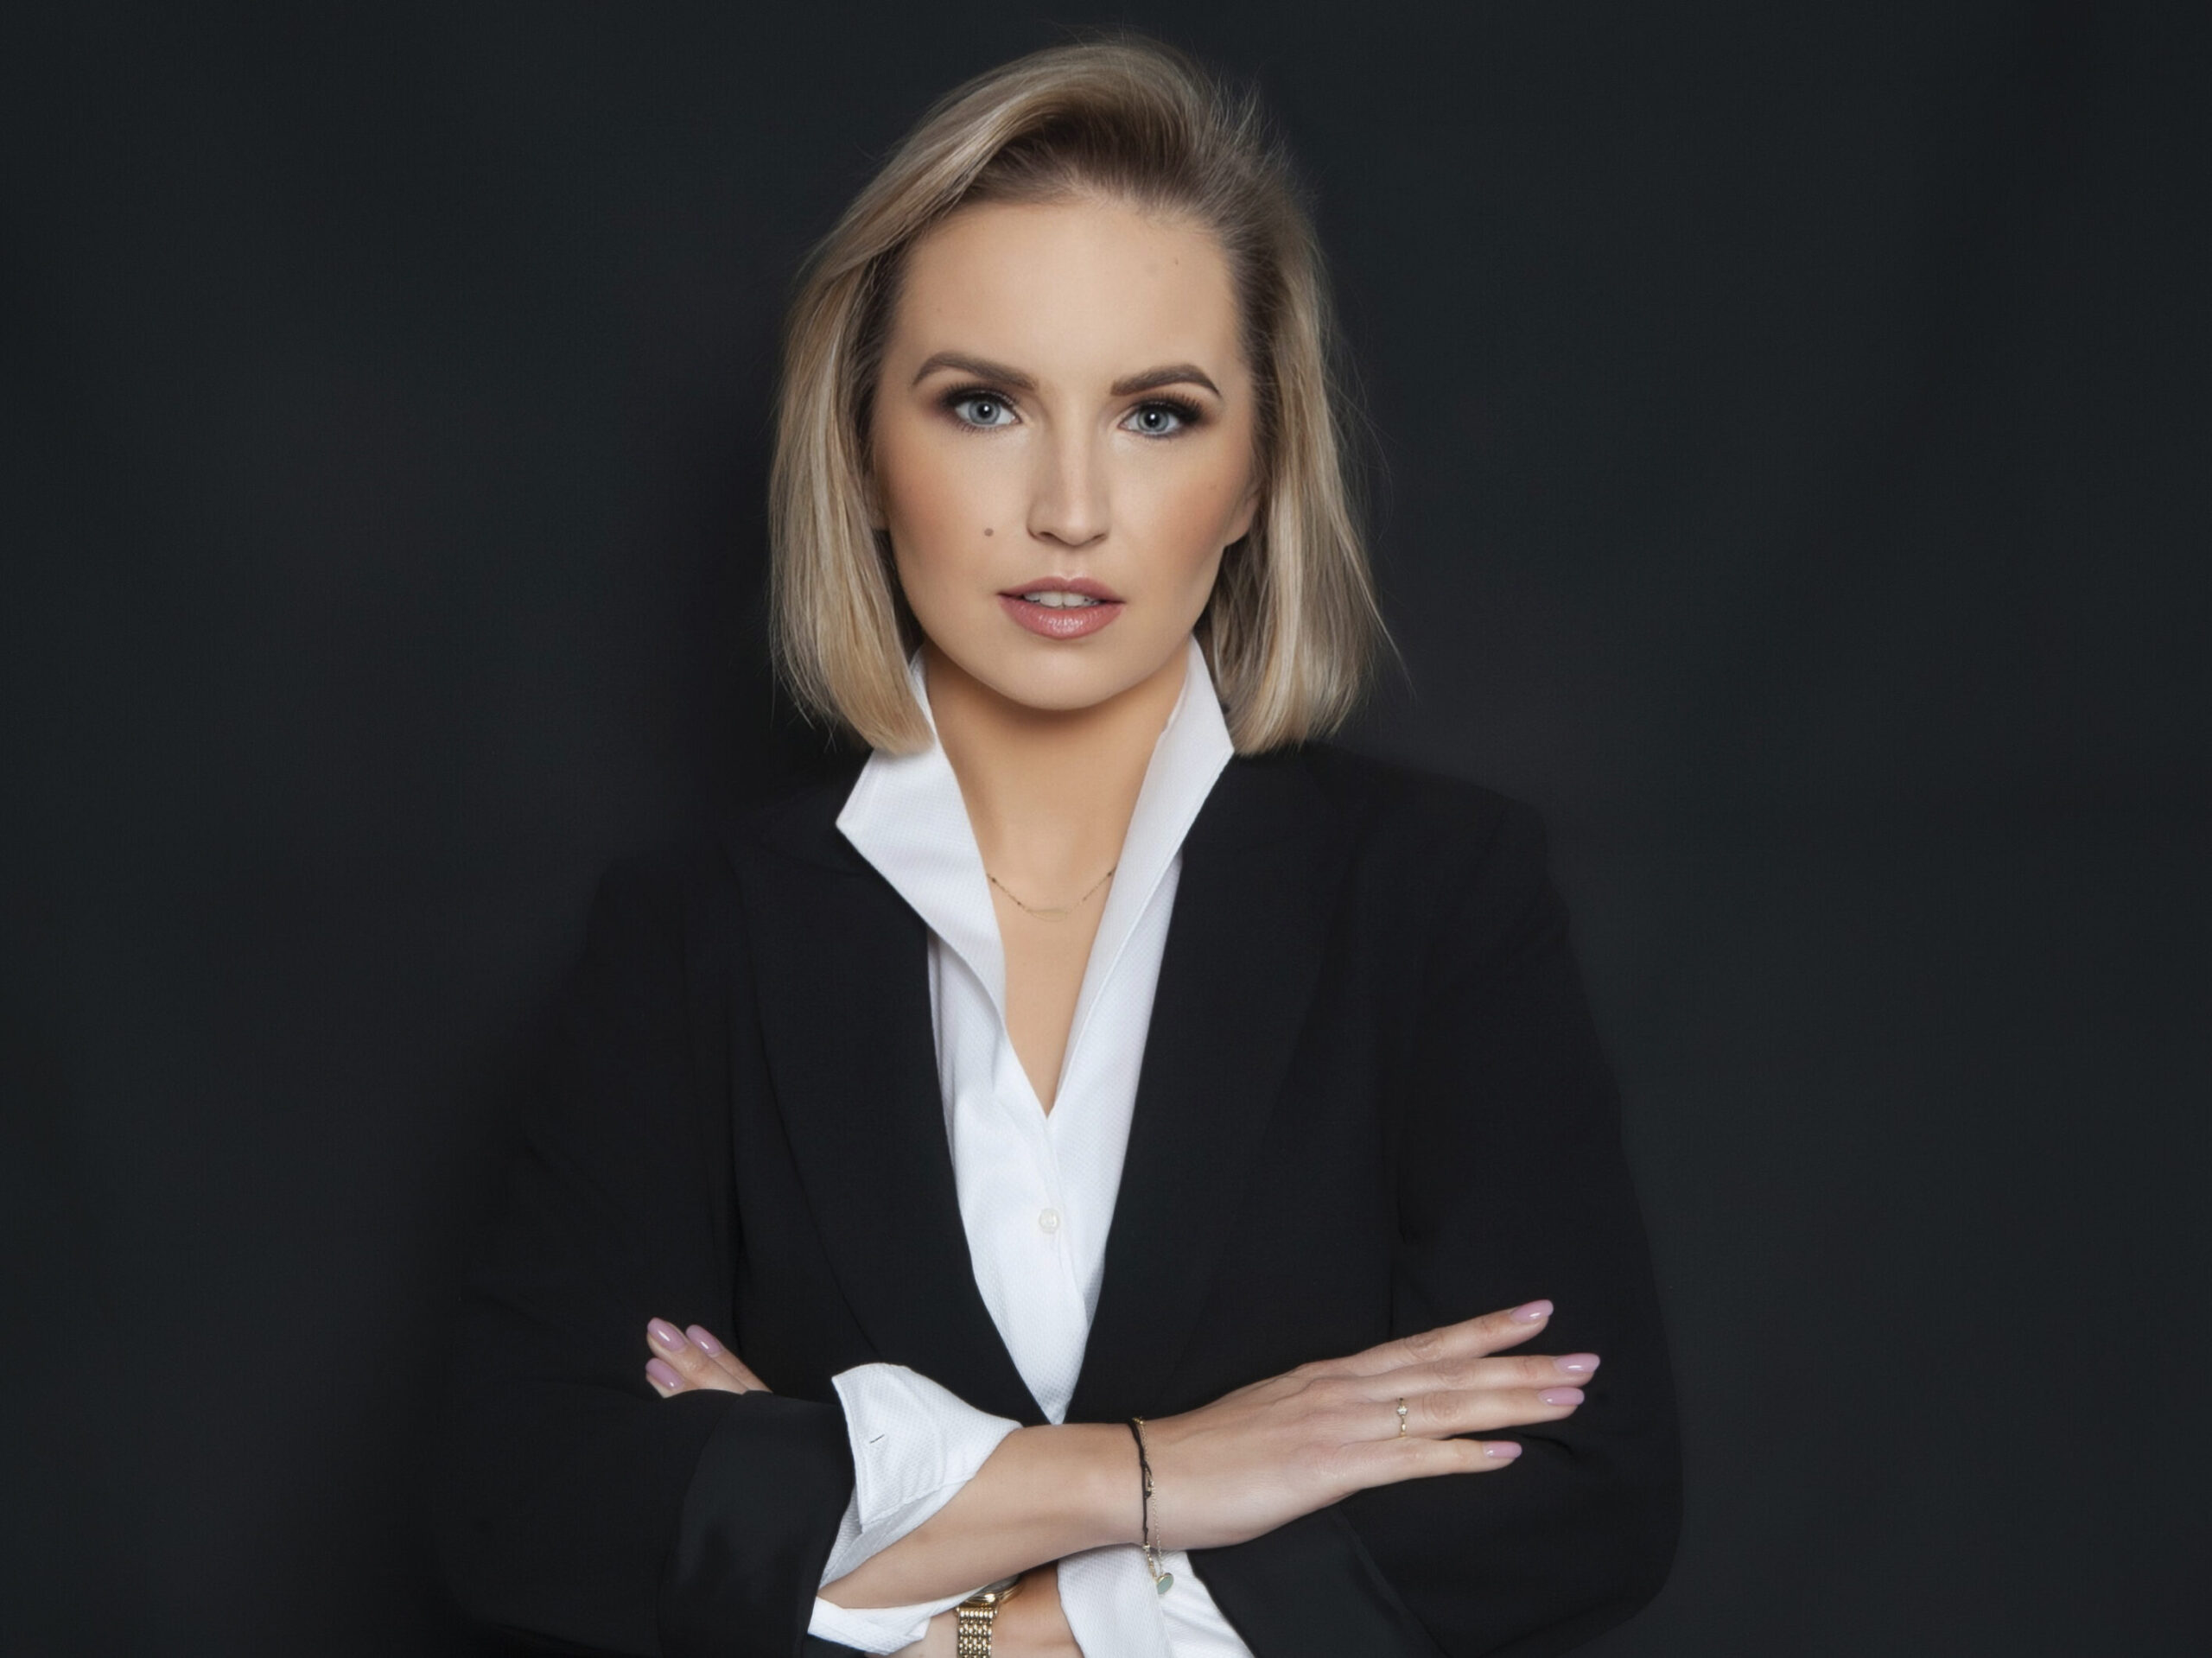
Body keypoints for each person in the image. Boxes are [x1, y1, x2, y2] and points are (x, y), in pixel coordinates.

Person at [430, 32, 1681, 1658]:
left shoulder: (1439, 901)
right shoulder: (691, 935)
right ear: (862, 450)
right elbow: (523, 1505)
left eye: (1157, 414)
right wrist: (1158, 1475)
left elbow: (1577, 1486)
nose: (1071, 507)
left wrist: (979, 1603)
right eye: (985, 405)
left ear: (1258, 472)